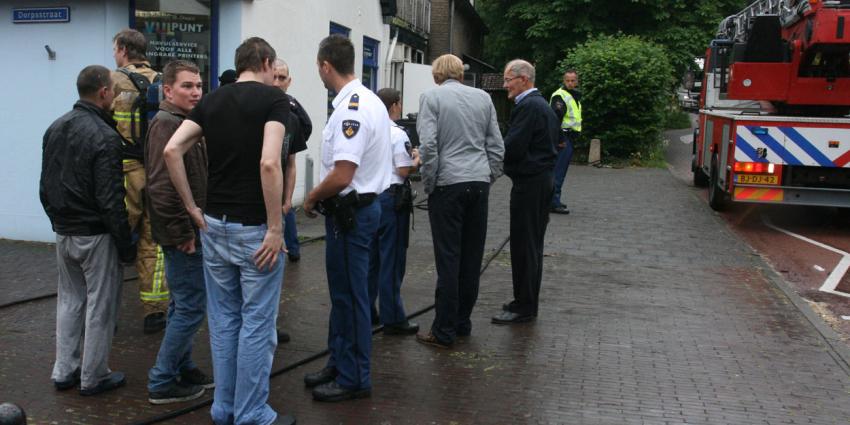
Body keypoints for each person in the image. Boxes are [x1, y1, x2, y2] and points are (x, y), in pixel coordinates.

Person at [163, 37, 295, 425]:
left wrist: (191, 207)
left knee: (223, 322)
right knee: (257, 324)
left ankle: (224, 408)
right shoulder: (274, 101)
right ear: (267, 63)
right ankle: (252, 412)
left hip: (214, 226)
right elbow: (270, 162)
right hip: (255, 230)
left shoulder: (211, 100)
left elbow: (172, 150)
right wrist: (276, 227)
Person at [301, 34, 392, 402]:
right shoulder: (366, 100)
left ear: (325, 65)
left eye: (318, 67)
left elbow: (342, 173)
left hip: (350, 214)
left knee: (352, 296)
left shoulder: (351, 108)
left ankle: (354, 377)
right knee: (343, 294)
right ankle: (338, 361)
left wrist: (310, 196)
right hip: (357, 212)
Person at [40, 65, 135, 396]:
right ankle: (94, 375)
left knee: (69, 300)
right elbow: (111, 198)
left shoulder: (55, 127)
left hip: (64, 230)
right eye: (114, 92)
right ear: (104, 93)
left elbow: (45, 185)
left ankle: (64, 369)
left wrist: (57, 220)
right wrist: (125, 243)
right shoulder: (106, 137)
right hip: (95, 232)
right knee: (100, 305)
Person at [415, 54, 505, 349]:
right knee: (471, 256)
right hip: (478, 183)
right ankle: (462, 321)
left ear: (436, 75)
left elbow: (428, 146)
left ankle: (443, 330)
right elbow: (496, 145)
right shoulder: (483, 98)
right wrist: (488, 176)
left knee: (448, 258)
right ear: (461, 74)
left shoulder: (431, 98)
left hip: (448, 185)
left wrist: (430, 183)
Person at [144, 60, 213, 405]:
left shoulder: (184, 122)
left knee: (183, 304)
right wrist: (182, 231)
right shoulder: (166, 125)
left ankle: (183, 366)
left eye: (199, 85)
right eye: (187, 86)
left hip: (189, 231)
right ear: (167, 90)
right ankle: (162, 379)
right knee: (190, 307)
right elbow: (160, 185)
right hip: (184, 236)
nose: (196, 92)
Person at [111, 28, 169, 333]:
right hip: (157, 172)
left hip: (125, 171)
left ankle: (104, 311)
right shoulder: (162, 82)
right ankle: (156, 310)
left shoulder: (112, 81)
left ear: (122, 49)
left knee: (113, 239)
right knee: (153, 240)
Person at [492, 60, 558, 324]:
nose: (505, 85)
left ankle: (524, 306)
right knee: (530, 244)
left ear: (524, 79)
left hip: (530, 185)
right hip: (539, 182)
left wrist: (494, 164)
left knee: (525, 245)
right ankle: (525, 300)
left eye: (508, 79)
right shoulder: (540, 105)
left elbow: (513, 147)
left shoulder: (529, 107)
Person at [368, 88, 420, 335]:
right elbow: (403, 170)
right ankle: (393, 317)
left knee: (372, 259)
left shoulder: (368, 130)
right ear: (395, 105)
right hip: (392, 199)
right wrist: (416, 160)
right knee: (392, 259)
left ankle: (368, 310)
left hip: (371, 198)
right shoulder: (398, 134)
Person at [272, 58, 313, 344]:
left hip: (277, 203)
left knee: (275, 266)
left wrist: (288, 200)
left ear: (289, 81)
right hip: (252, 207)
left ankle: (268, 324)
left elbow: (291, 160)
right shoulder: (254, 109)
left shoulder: (292, 112)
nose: (277, 82)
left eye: (282, 77)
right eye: (273, 76)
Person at [549, 69, 582, 215]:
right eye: (567, 80)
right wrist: (560, 140)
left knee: (559, 171)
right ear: (564, 80)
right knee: (558, 171)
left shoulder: (574, 96)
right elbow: (555, 120)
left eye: (573, 80)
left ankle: (554, 200)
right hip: (563, 138)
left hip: (568, 138)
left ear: (577, 81)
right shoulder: (560, 96)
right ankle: (553, 202)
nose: (570, 83)